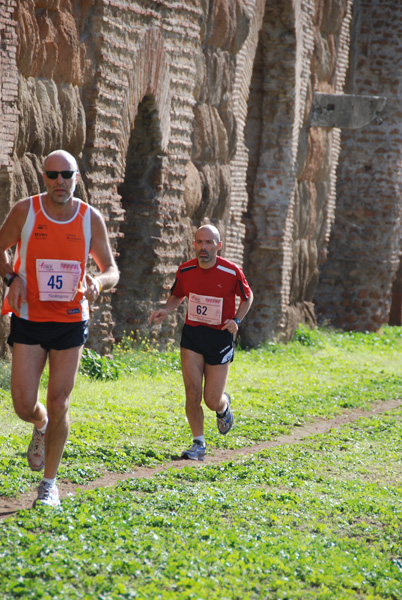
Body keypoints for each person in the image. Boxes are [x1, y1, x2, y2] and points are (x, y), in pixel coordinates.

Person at [0, 149, 120, 507]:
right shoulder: (26, 211)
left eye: (66, 175)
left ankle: (49, 485)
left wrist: (99, 283)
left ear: (76, 178)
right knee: (23, 404)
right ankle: (40, 425)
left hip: (70, 319)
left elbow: (112, 269)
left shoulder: (89, 218)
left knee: (59, 399)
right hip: (30, 318)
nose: (59, 182)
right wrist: (10, 277)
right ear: (43, 177)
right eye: (53, 175)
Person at [149, 224, 253, 461]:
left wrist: (237, 319)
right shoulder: (185, 270)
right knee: (192, 392)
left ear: (219, 245)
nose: (203, 247)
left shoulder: (231, 271)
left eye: (208, 242)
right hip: (193, 336)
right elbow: (178, 294)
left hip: (220, 339)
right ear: (194, 244)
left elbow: (247, 298)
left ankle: (223, 406)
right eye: (199, 242)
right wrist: (166, 310)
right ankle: (198, 444)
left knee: (211, 399)